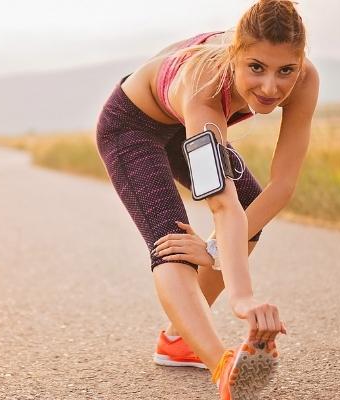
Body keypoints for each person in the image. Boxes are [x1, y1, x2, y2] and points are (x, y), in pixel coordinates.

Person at [94, 0, 318, 398]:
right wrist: (242, 298)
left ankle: (178, 340)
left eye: (286, 70)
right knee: (172, 243)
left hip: (187, 129)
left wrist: (214, 249)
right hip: (133, 128)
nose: (271, 87)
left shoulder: (305, 80)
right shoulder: (205, 86)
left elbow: (282, 186)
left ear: (300, 61)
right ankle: (221, 365)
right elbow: (222, 204)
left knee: (251, 209)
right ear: (235, 55)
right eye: (256, 68)